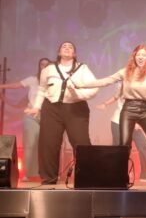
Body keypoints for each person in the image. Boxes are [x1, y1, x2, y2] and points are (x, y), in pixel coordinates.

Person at [72, 44, 146, 183]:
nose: (141, 57)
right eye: (138, 55)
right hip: (128, 108)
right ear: (134, 56)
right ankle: (122, 175)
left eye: (143, 55)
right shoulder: (125, 72)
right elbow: (105, 81)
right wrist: (82, 85)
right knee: (124, 145)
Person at [25, 42, 98, 185]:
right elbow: (42, 89)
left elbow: (94, 88)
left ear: (74, 54)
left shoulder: (82, 68)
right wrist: (37, 107)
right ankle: (49, 178)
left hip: (76, 109)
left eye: (70, 47)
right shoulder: (49, 69)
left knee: (81, 142)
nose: (67, 48)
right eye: (64, 46)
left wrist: (79, 95)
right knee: (49, 144)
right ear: (59, 52)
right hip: (52, 109)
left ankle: (87, 177)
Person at [0, 57, 50, 181]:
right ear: (39, 66)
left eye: (47, 64)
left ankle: (47, 173)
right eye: (42, 64)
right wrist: (1, 86)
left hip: (49, 116)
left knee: (48, 145)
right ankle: (29, 174)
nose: (44, 66)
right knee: (30, 144)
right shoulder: (33, 80)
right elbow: (17, 85)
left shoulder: (55, 81)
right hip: (31, 115)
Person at [96, 83, 146, 183]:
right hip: (119, 123)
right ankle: (118, 176)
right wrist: (105, 104)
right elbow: (116, 97)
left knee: (143, 146)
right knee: (121, 149)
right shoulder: (124, 85)